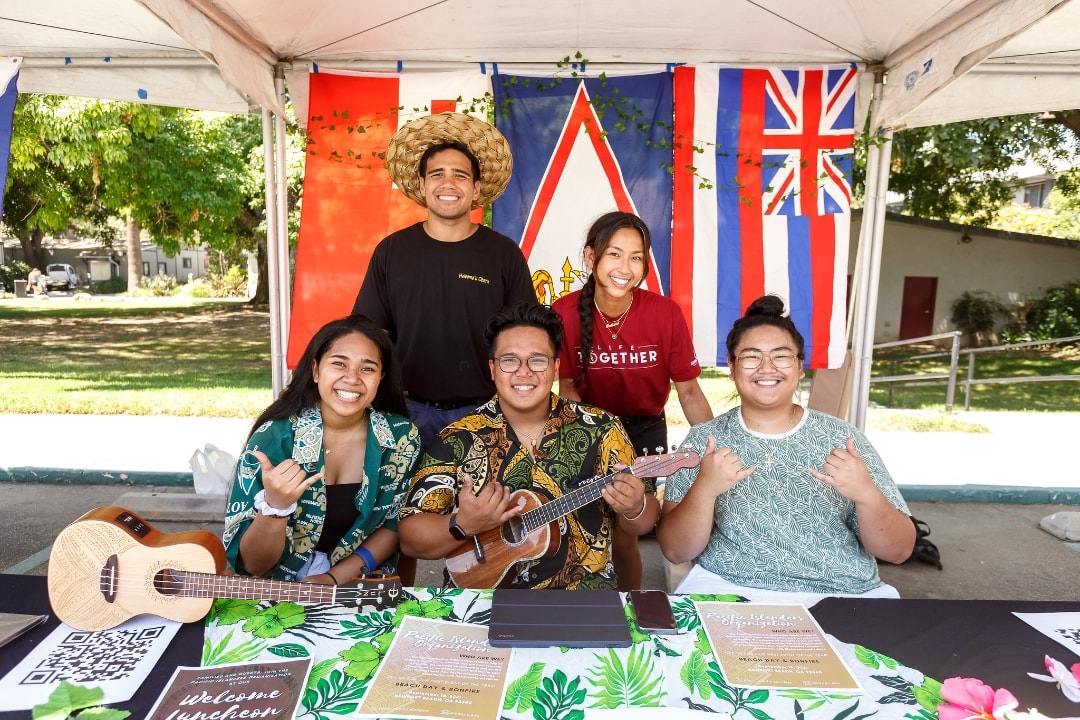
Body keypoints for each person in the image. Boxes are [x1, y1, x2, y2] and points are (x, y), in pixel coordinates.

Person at [657, 295, 915, 603]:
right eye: (751, 356)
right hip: (730, 589)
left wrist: (865, 492)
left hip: (841, 592)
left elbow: (899, 551)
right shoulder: (705, 441)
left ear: (800, 367)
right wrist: (705, 489)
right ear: (731, 367)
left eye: (781, 356)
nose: (767, 368)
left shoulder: (843, 439)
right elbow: (674, 550)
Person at [397, 303, 659, 590]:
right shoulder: (458, 438)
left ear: (556, 366)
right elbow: (411, 537)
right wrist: (463, 523)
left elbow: (643, 523)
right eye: (510, 360)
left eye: (537, 360)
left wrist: (634, 507)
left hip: (584, 599)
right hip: (482, 600)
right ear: (493, 368)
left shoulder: (602, 428)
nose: (524, 372)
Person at [353, 111, 536, 448]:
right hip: (404, 412)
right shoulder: (392, 251)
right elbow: (369, 334)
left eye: (460, 175)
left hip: (484, 410)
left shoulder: (503, 253)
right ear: (422, 185)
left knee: (479, 501)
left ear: (476, 188)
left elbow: (525, 337)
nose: (448, 184)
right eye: (437, 174)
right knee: (406, 502)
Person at [551, 211, 713, 591]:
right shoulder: (564, 312)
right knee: (578, 532)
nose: (625, 267)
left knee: (627, 533)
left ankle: (628, 609)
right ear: (591, 258)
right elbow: (567, 388)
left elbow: (688, 391)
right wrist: (587, 441)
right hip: (585, 432)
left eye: (636, 257)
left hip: (643, 432)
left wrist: (715, 447)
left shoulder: (664, 313)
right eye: (614, 254)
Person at [223, 315, 421, 584]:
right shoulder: (274, 439)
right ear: (316, 370)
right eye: (339, 363)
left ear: (381, 378)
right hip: (278, 593)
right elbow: (252, 565)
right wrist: (275, 508)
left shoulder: (400, 437)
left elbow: (394, 526)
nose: (351, 379)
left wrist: (333, 578)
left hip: (359, 585)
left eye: (367, 368)